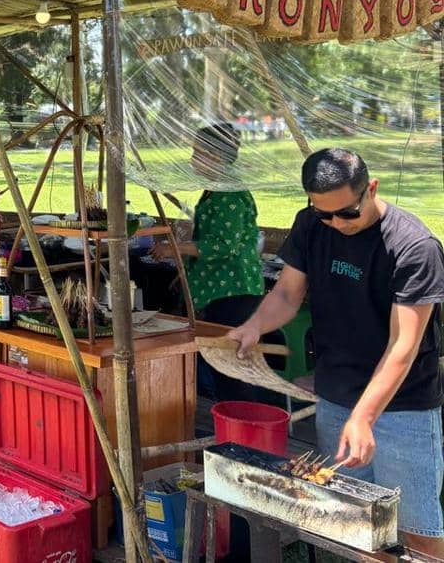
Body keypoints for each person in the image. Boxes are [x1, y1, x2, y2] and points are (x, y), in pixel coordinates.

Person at [229, 149, 444, 555]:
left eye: (346, 213)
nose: (335, 223)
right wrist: (255, 326)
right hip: (337, 398)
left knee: (418, 535)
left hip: (404, 408)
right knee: (354, 525)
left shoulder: (414, 246)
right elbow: (288, 293)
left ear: (371, 188)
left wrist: (365, 416)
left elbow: (404, 345)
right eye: (323, 213)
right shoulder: (311, 225)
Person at [153, 124, 269, 401]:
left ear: (215, 156)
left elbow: (223, 245)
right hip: (220, 288)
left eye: (197, 152)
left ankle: (243, 436)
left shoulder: (229, 194)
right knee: (224, 365)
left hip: (233, 291)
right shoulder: (216, 189)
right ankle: (233, 429)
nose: (193, 159)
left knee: (232, 368)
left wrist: (174, 249)